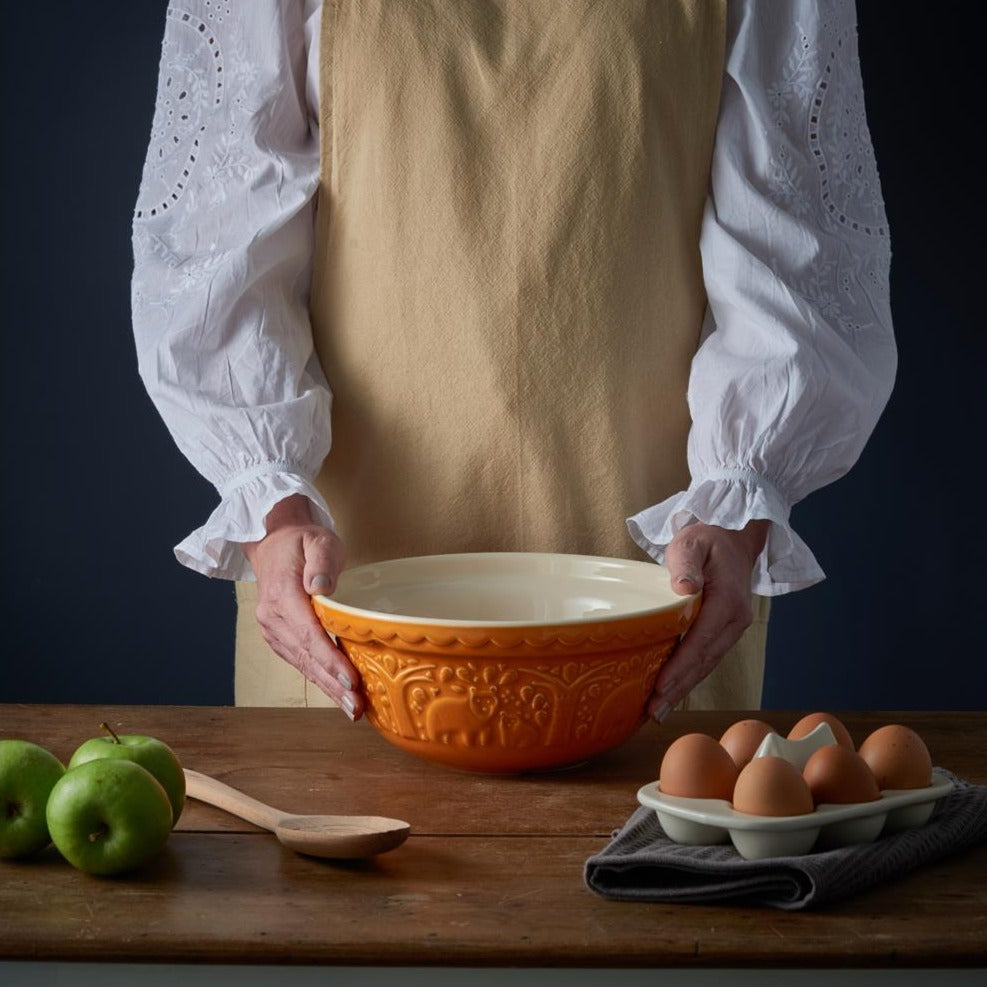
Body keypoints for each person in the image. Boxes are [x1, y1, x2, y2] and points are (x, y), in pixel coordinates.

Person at [131, 0, 895, 722]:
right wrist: (271, 512)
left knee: (645, 849)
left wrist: (737, 516)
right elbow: (215, 252)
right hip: (343, 604)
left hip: (656, 597)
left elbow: (795, 253)